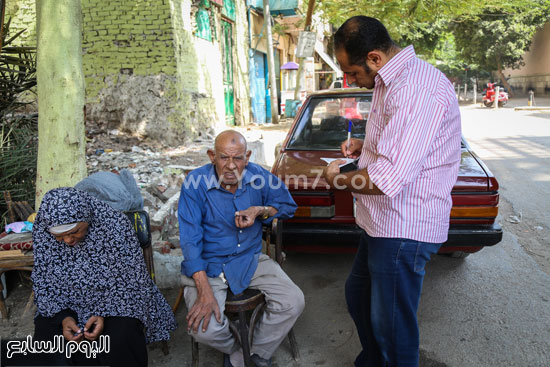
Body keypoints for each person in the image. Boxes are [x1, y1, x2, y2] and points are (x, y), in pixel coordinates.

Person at [322, 16, 462, 367]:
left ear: (374, 57)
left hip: (403, 227)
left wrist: (337, 179)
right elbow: (397, 141)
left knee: (393, 325)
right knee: (358, 296)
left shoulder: (416, 89)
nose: (348, 80)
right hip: (381, 222)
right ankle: (374, 361)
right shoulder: (389, 80)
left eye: (351, 71)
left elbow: (387, 179)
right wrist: (364, 145)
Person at [178, 130, 304, 367]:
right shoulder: (195, 184)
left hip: (249, 259)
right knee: (203, 329)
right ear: (211, 156)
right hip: (209, 265)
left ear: (247, 157)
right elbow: (190, 240)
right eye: (224, 157)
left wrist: (259, 210)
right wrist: (204, 290)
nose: (231, 166)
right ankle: (238, 348)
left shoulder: (259, 177)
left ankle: (250, 355)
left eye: (237, 159)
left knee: (293, 301)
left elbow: (288, 206)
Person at [31, 187, 176, 366]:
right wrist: (64, 318)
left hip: (117, 299)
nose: (68, 240)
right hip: (64, 302)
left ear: (86, 217)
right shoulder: (43, 233)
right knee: (48, 338)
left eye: (74, 231)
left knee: (121, 337)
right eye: (60, 237)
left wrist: (104, 313)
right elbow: (43, 280)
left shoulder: (114, 224)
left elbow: (132, 280)